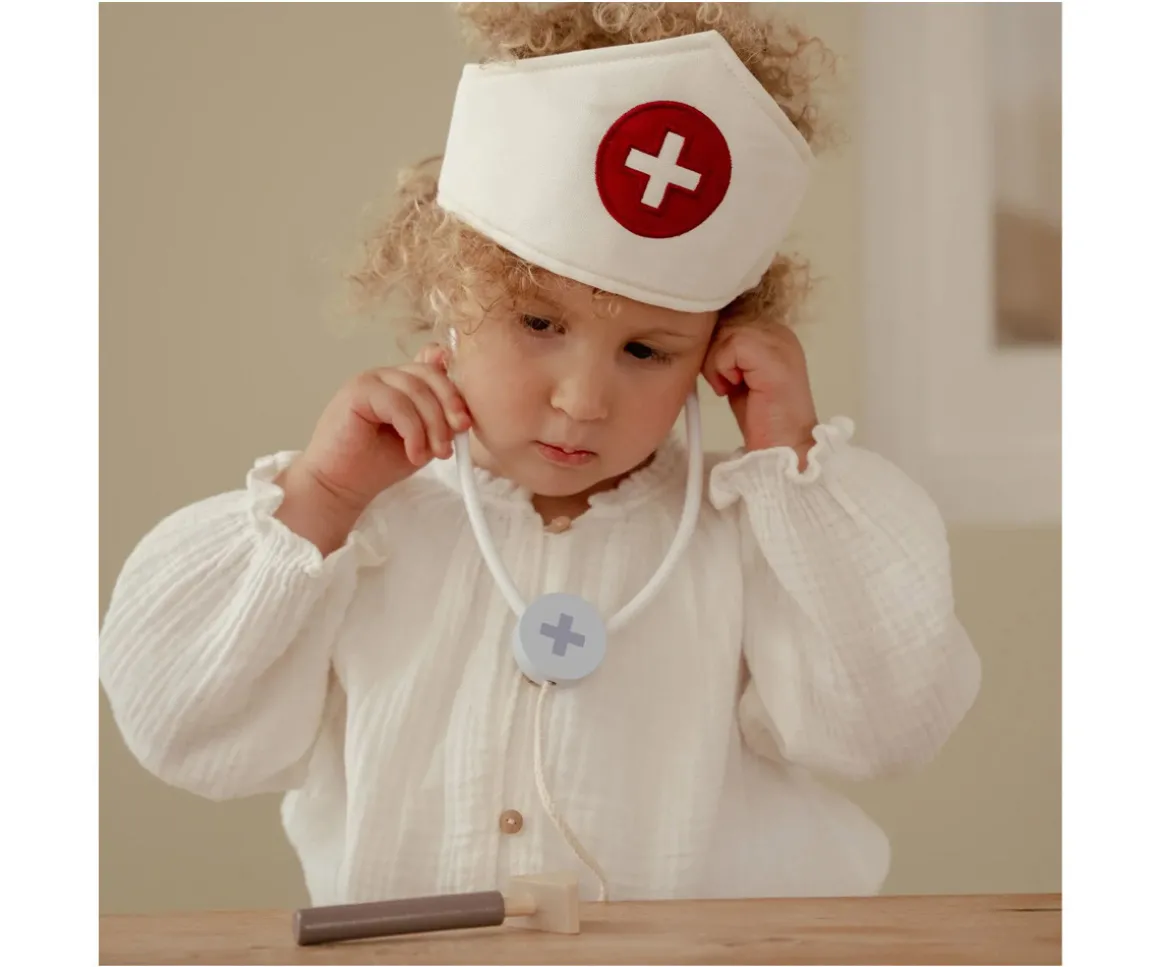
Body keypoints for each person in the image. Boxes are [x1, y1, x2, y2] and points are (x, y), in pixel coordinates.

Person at [99, 2, 981, 906]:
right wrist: (319, 496)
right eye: (538, 323)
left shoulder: (749, 536)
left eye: (648, 350)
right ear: (448, 293)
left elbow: (888, 728)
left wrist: (791, 463)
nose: (583, 400)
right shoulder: (358, 528)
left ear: (717, 351)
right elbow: (175, 725)